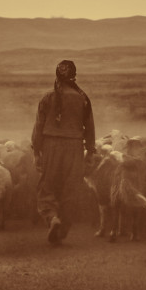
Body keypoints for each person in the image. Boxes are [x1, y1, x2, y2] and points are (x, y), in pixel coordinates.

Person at [31, 60, 96, 245]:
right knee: (71, 188)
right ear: (74, 76)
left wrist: (37, 152)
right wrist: (90, 152)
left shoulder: (47, 98)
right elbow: (89, 128)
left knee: (47, 186)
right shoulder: (82, 98)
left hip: (51, 146)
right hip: (75, 147)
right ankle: (63, 229)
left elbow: (38, 128)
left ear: (57, 76)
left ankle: (52, 218)